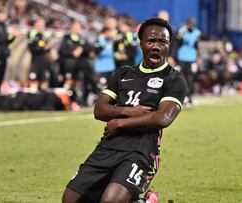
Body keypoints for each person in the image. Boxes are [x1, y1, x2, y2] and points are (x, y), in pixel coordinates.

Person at [62, 18, 187, 203]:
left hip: (141, 151)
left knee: (110, 201)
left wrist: (120, 123)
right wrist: (129, 111)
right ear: (141, 43)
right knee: (70, 200)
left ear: (169, 45)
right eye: (151, 41)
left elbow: (163, 118)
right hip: (108, 147)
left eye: (162, 42)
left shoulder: (173, 79)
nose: (156, 46)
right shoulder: (123, 74)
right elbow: (100, 109)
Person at [176, 17, 201, 105]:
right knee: (182, 78)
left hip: (191, 58)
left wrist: (198, 58)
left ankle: (189, 97)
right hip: (182, 57)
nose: (191, 25)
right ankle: (182, 97)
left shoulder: (197, 33)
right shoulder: (182, 31)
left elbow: (197, 46)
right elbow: (178, 44)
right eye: (190, 23)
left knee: (190, 78)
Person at [27, 17, 51, 90]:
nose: (40, 26)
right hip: (35, 61)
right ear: (35, 25)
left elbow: (48, 48)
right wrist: (42, 48)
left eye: (42, 24)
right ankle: (33, 98)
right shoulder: (32, 34)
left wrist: (47, 49)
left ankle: (43, 98)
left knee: (44, 80)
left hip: (44, 61)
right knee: (33, 80)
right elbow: (32, 49)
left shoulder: (46, 35)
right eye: (39, 24)